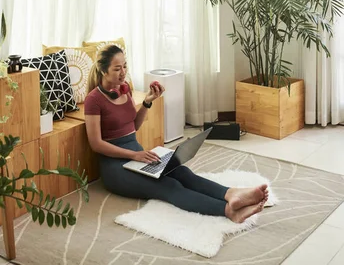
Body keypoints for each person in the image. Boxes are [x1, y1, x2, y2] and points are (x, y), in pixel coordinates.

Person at [84, 44, 268, 222]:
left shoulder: (124, 90)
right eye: (117, 69)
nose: (123, 72)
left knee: (181, 172)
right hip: (115, 169)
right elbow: (96, 144)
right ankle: (228, 211)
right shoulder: (94, 100)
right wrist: (135, 155)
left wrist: (148, 102)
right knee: (168, 185)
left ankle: (232, 194)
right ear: (103, 70)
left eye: (125, 66)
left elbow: (134, 125)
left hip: (137, 157)